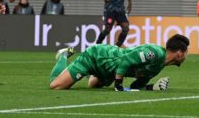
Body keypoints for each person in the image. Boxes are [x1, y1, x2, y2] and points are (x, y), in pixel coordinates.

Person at [49, 34, 189, 91]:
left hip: (109, 71)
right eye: (186, 52)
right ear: (179, 53)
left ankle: (87, 74)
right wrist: (119, 86)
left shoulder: (159, 66)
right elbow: (125, 61)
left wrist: (153, 87)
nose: (187, 56)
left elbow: (136, 85)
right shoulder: (155, 53)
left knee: (93, 86)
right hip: (96, 56)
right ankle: (64, 55)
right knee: (56, 86)